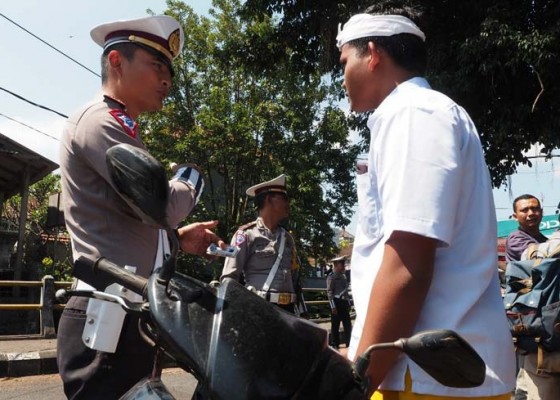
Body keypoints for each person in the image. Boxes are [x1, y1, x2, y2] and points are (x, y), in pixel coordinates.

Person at [336, 3, 515, 399]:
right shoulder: (414, 113)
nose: (341, 76)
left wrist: (359, 381)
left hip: (430, 380)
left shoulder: (413, 113)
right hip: (426, 374)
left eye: (344, 60)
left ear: (374, 54)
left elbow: (407, 265)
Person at [57, 15, 225, 399]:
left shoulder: (123, 129)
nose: (167, 79)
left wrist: (177, 241)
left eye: (170, 70)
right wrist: (190, 177)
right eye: (156, 65)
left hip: (129, 316)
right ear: (117, 61)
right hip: (106, 317)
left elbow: (133, 221)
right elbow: (161, 206)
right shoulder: (99, 122)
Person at [221, 174, 307, 316]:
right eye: (284, 198)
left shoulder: (288, 238)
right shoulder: (245, 235)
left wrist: (303, 313)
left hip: (288, 312)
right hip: (258, 309)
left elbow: (295, 280)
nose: (288, 203)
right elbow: (229, 278)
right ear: (269, 199)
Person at [505, 194, 548, 262]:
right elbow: (537, 254)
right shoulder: (515, 239)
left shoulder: (545, 240)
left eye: (534, 209)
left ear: (542, 212)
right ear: (515, 217)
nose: (531, 213)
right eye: (524, 210)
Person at [326, 255, 353, 349]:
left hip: (344, 302)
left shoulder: (343, 276)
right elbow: (329, 292)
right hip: (336, 302)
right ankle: (335, 344)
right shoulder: (331, 277)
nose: (343, 265)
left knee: (347, 324)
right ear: (336, 264)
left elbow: (345, 291)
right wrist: (333, 306)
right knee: (335, 325)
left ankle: (349, 343)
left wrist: (348, 303)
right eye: (342, 263)